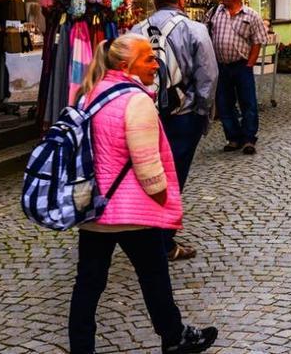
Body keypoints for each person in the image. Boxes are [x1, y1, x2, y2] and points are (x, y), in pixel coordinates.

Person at [68, 33, 217, 354]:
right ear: (126, 65)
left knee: (88, 284)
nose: (156, 63)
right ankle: (175, 337)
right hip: (132, 212)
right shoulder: (136, 101)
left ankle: (82, 347)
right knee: (154, 277)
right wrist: (164, 200)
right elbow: (147, 164)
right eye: (148, 58)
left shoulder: (88, 94)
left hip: (94, 208)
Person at [133, 0, 218, 261]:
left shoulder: (136, 31)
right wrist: (201, 112)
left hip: (144, 113)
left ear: (155, 2)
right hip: (183, 114)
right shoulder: (195, 30)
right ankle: (163, 240)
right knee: (173, 176)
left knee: (146, 172)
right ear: (181, 1)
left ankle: (144, 230)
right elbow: (208, 76)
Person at [207, 0, 267, 155]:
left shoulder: (251, 15)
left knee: (247, 102)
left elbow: (258, 41)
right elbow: (205, 34)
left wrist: (250, 63)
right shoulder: (214, 13)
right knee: (224, 103)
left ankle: (249, 138)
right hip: (221, 66)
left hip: (241, 65)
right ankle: (233, 137)